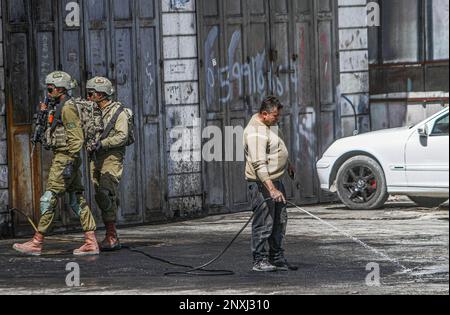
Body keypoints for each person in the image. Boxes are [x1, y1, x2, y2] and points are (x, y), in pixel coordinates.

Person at [13, 71, 99, 257]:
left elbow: (76, 139)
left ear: (60, 89)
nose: (48, 91)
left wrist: (69, 162)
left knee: (49, 198)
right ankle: (91, 241)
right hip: (66, 157)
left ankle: (37, 242)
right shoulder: (58, 106)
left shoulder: (67, 108)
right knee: (76, 199)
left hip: (65, 158)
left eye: (50, 88)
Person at [243, 96, 296, 272]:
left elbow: (276, 146)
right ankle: (260, 260)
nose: (277, 119)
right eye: (275, 116)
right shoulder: (255, 133)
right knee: (265, 223)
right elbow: (259, 164)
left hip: (275, 180)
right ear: (264, 114)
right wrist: (271, 189)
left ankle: (277, 257)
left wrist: (287, 163)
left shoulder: (270, 124)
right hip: (262, 185)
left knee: (280, 220)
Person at [87, 77, 129, 251]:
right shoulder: (92, 111)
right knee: (100, 194)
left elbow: (122, 136)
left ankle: (111, 236)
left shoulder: (119, 113)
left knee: (106, 193)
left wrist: (103, 143)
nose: (88, 97)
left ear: (101, 94)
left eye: (91, 94)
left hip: (111, 157)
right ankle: (109, 234)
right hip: (95, 158)